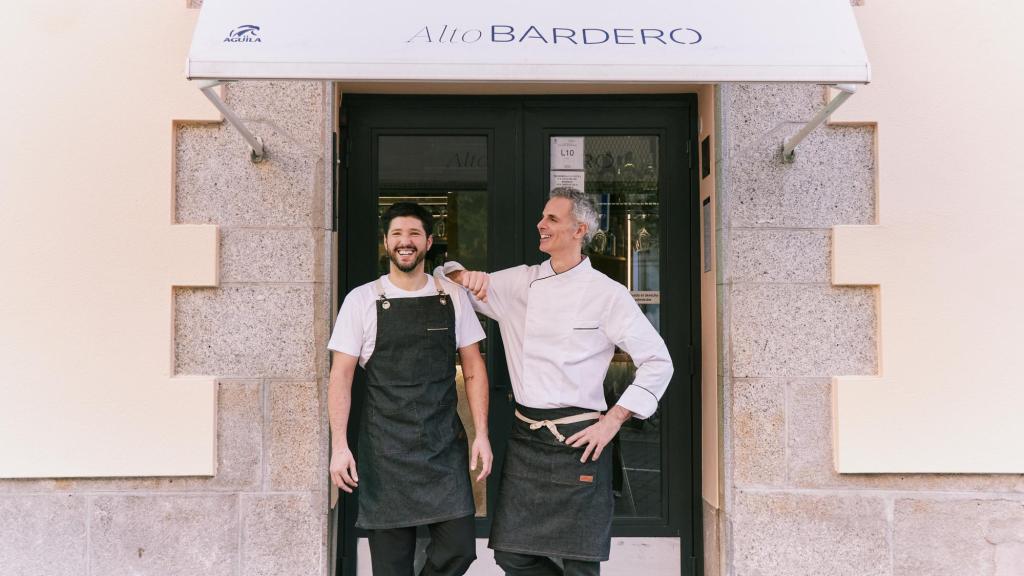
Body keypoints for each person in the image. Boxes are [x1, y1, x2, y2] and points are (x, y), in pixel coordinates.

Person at [441, 188, 673, 576]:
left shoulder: (607, 294)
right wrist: (461, 273)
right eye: (542, 217)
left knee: (581, 563)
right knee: (511, 555)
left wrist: (613, 421)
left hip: (580, 440)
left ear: (579, 229)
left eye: (552, 219)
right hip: (526, 437)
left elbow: (658, 361)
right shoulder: (520, 283)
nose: (540, 224)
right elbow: (448, 282)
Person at [328, 201, 493, 576]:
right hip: (386, 454)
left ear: (428, 242)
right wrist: (340, 446)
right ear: (386, 243)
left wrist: (481, 434)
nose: (406, 242)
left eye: (414, 234)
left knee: (460, 549)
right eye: (398, 234)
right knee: (391, 568)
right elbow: (341, 377)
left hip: (442, 450)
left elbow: (473, 367)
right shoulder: (363, 300)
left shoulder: (450, 295)